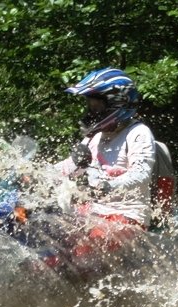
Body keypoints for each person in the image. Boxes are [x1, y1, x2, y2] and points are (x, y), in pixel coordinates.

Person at [55, 67, 156, 228]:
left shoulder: (138, 133)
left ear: (117, 104)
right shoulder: (93, 137)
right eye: (90, 106)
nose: (91, 112)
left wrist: (107, 186)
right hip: (93, 214)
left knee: (86, 245)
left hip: (126, 216)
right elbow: (69, 167)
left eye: (96, 107)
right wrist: (33, 173)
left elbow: (141, 173)